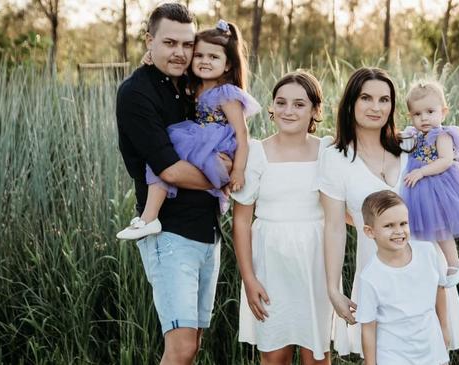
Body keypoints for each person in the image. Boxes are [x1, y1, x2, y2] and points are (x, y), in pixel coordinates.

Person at [318, 67, 459, 356]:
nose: (376, 107)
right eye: (366, 98)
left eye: (384, 99)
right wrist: (333, 290)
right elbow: (335, 228)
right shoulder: (335, 158)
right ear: (350, 103)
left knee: (431, 353)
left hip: (425, 267)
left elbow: (447, 188)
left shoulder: (412, 146)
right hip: (378, 275)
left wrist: (450, 255)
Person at [115, 4, 225, 364]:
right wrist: (224, 178)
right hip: (170, 234)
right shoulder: (136, 93)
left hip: (208, 233)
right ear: (150, 41)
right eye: (169, 43)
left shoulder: (194, 85)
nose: (180, 52)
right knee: (181, 348)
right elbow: (170, 171)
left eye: (187, 43)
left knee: (193, 344)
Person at [117, 19, 260, 239]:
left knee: (170, 158)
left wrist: (237, 169)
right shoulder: (190, 84)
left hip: (214, 144)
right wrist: (149, 58)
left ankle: (149, 217)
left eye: (213, 57)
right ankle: (149, 217)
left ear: (228, 64)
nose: (204, 61)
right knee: (162, 164)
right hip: (197, 140)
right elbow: (170, 170)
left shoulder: (227, 93)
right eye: (199, 55)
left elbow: (242, 133)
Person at [232, 71, 336, 365]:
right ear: (272, 107)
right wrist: (249, 278)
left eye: (299, 104)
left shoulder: (326, 150)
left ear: (315, 110)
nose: (288, 111)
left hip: (316, 262)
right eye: (281, 102)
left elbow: (338, 212)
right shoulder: (255, 152)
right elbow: (241, 221)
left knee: (316, 355)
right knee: (274, 354)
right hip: (270, 263)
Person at [401, 80, 459, 287]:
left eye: (430, 112)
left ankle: (454, 263)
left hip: (439, 184)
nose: (424, 118)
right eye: (417, 114)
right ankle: (430, 262)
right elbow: (403, 146)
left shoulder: (442, 135)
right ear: (410, 116)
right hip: (419, 187)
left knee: (440, 226)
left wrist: (421, 171)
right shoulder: (414, 134)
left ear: (443, 112)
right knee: (423, 229)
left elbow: (445, 160)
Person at [357, 190, 449, 365]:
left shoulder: (427, 252)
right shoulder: (370, 277)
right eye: (389, 226)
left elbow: (440, 289)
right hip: (393, 356)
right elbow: (368, 326)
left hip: (432, 350)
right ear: (370, 232)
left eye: (403, 223)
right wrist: (370, 363)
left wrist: (445, 330)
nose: (399, 231)